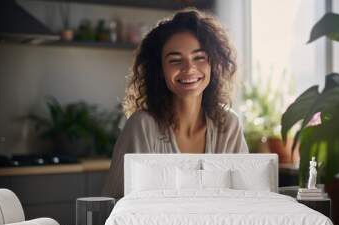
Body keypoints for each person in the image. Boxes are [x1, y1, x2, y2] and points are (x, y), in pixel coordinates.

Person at [103, 9, 248, 198]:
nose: (189, 68)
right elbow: (115, 204)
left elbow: (246, 198)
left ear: (213, 63)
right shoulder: (143, 127)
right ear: (159, 69)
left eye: (199, 57)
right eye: (175, 60)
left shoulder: (228, 125)